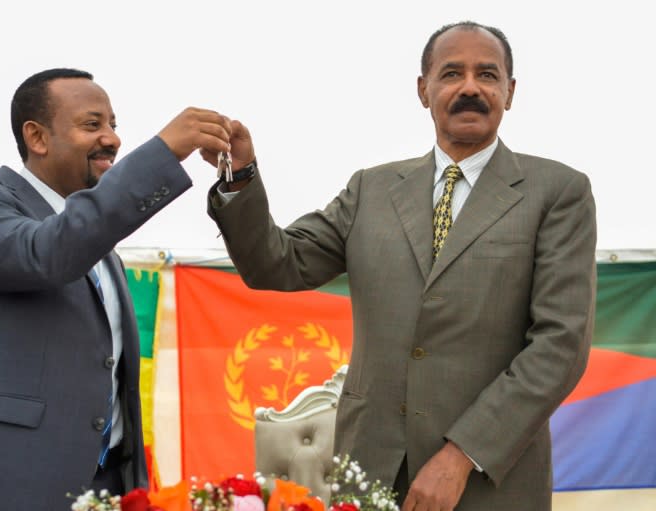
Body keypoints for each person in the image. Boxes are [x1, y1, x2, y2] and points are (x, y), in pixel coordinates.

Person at [205, 21, 596, 511]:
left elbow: (559, 346)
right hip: (370, 474)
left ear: (510, 92)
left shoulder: (558, 193)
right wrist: (240, 176)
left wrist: (461, 455)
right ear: (423, 89)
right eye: (452, 73)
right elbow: (276, 264)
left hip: (490, 482)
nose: (471, 87)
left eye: (488, 75)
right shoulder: (372, 189)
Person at [0, 68, 231, 511]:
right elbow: (48, 254)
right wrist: (162, 153)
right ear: (37, 137)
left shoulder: (102, 251)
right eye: (93, 125)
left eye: (114, 126)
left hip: (103, 494)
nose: (112, 139)